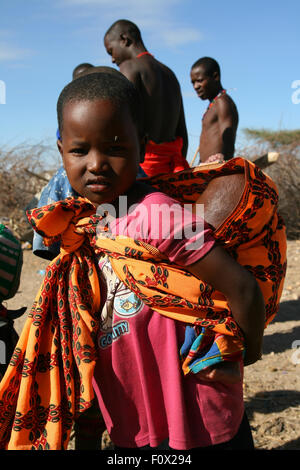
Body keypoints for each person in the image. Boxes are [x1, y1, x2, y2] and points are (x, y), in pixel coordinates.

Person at [0, 72, 286, 451]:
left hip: (199, 418)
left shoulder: (157, 215)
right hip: (135, 421)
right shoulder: (86, 228)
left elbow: (243, 289)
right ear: (60, 149)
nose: (97, 163)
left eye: (115, 149)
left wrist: (246, 353)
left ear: (142, 144)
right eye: (80, 150)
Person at [104, 19, 190, 177]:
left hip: (143, 172)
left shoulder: (129, 68)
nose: (112, 59)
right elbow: (182, 133)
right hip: (173, 171)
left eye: (111, 51)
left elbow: (118, 126)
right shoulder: (170, 74)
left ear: (124, 40)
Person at [190, 57, 239, 164]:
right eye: (193, 83)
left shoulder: (222, 102)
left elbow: (228, 138)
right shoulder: (213, 104)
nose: (195, 86)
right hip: (207, 167)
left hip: (216, 169)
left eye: (199, 81)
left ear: (215, 77)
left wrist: (223, 163)